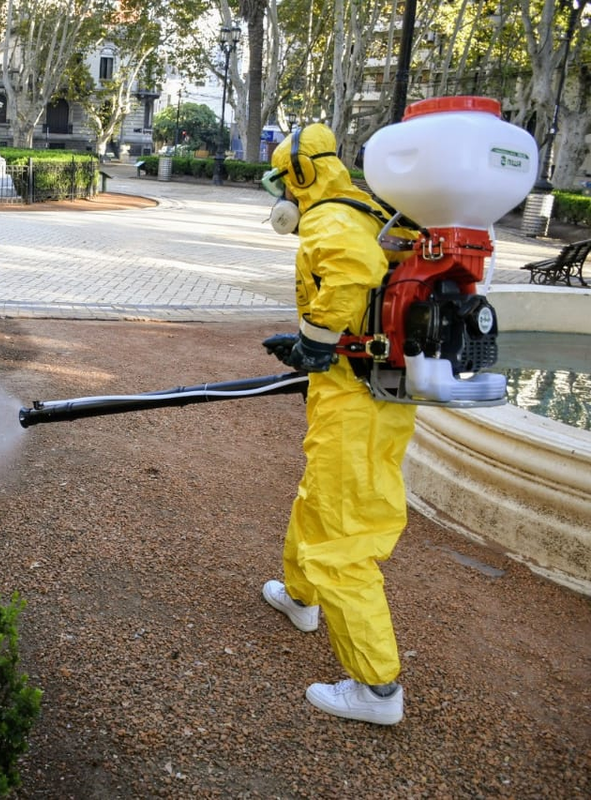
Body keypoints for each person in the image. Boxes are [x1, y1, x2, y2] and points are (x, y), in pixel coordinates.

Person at [259, 123, 418, 726]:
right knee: (320, 494)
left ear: (299, 174)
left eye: (281, 180)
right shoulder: (368, 207)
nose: (280, 194)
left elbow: (350, 273)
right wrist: (312, 348)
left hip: (357, 394)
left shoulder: (328, 215)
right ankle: (301, 597)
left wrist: (314, 340)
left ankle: (376, 688)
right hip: (368, 388)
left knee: (344, 533)